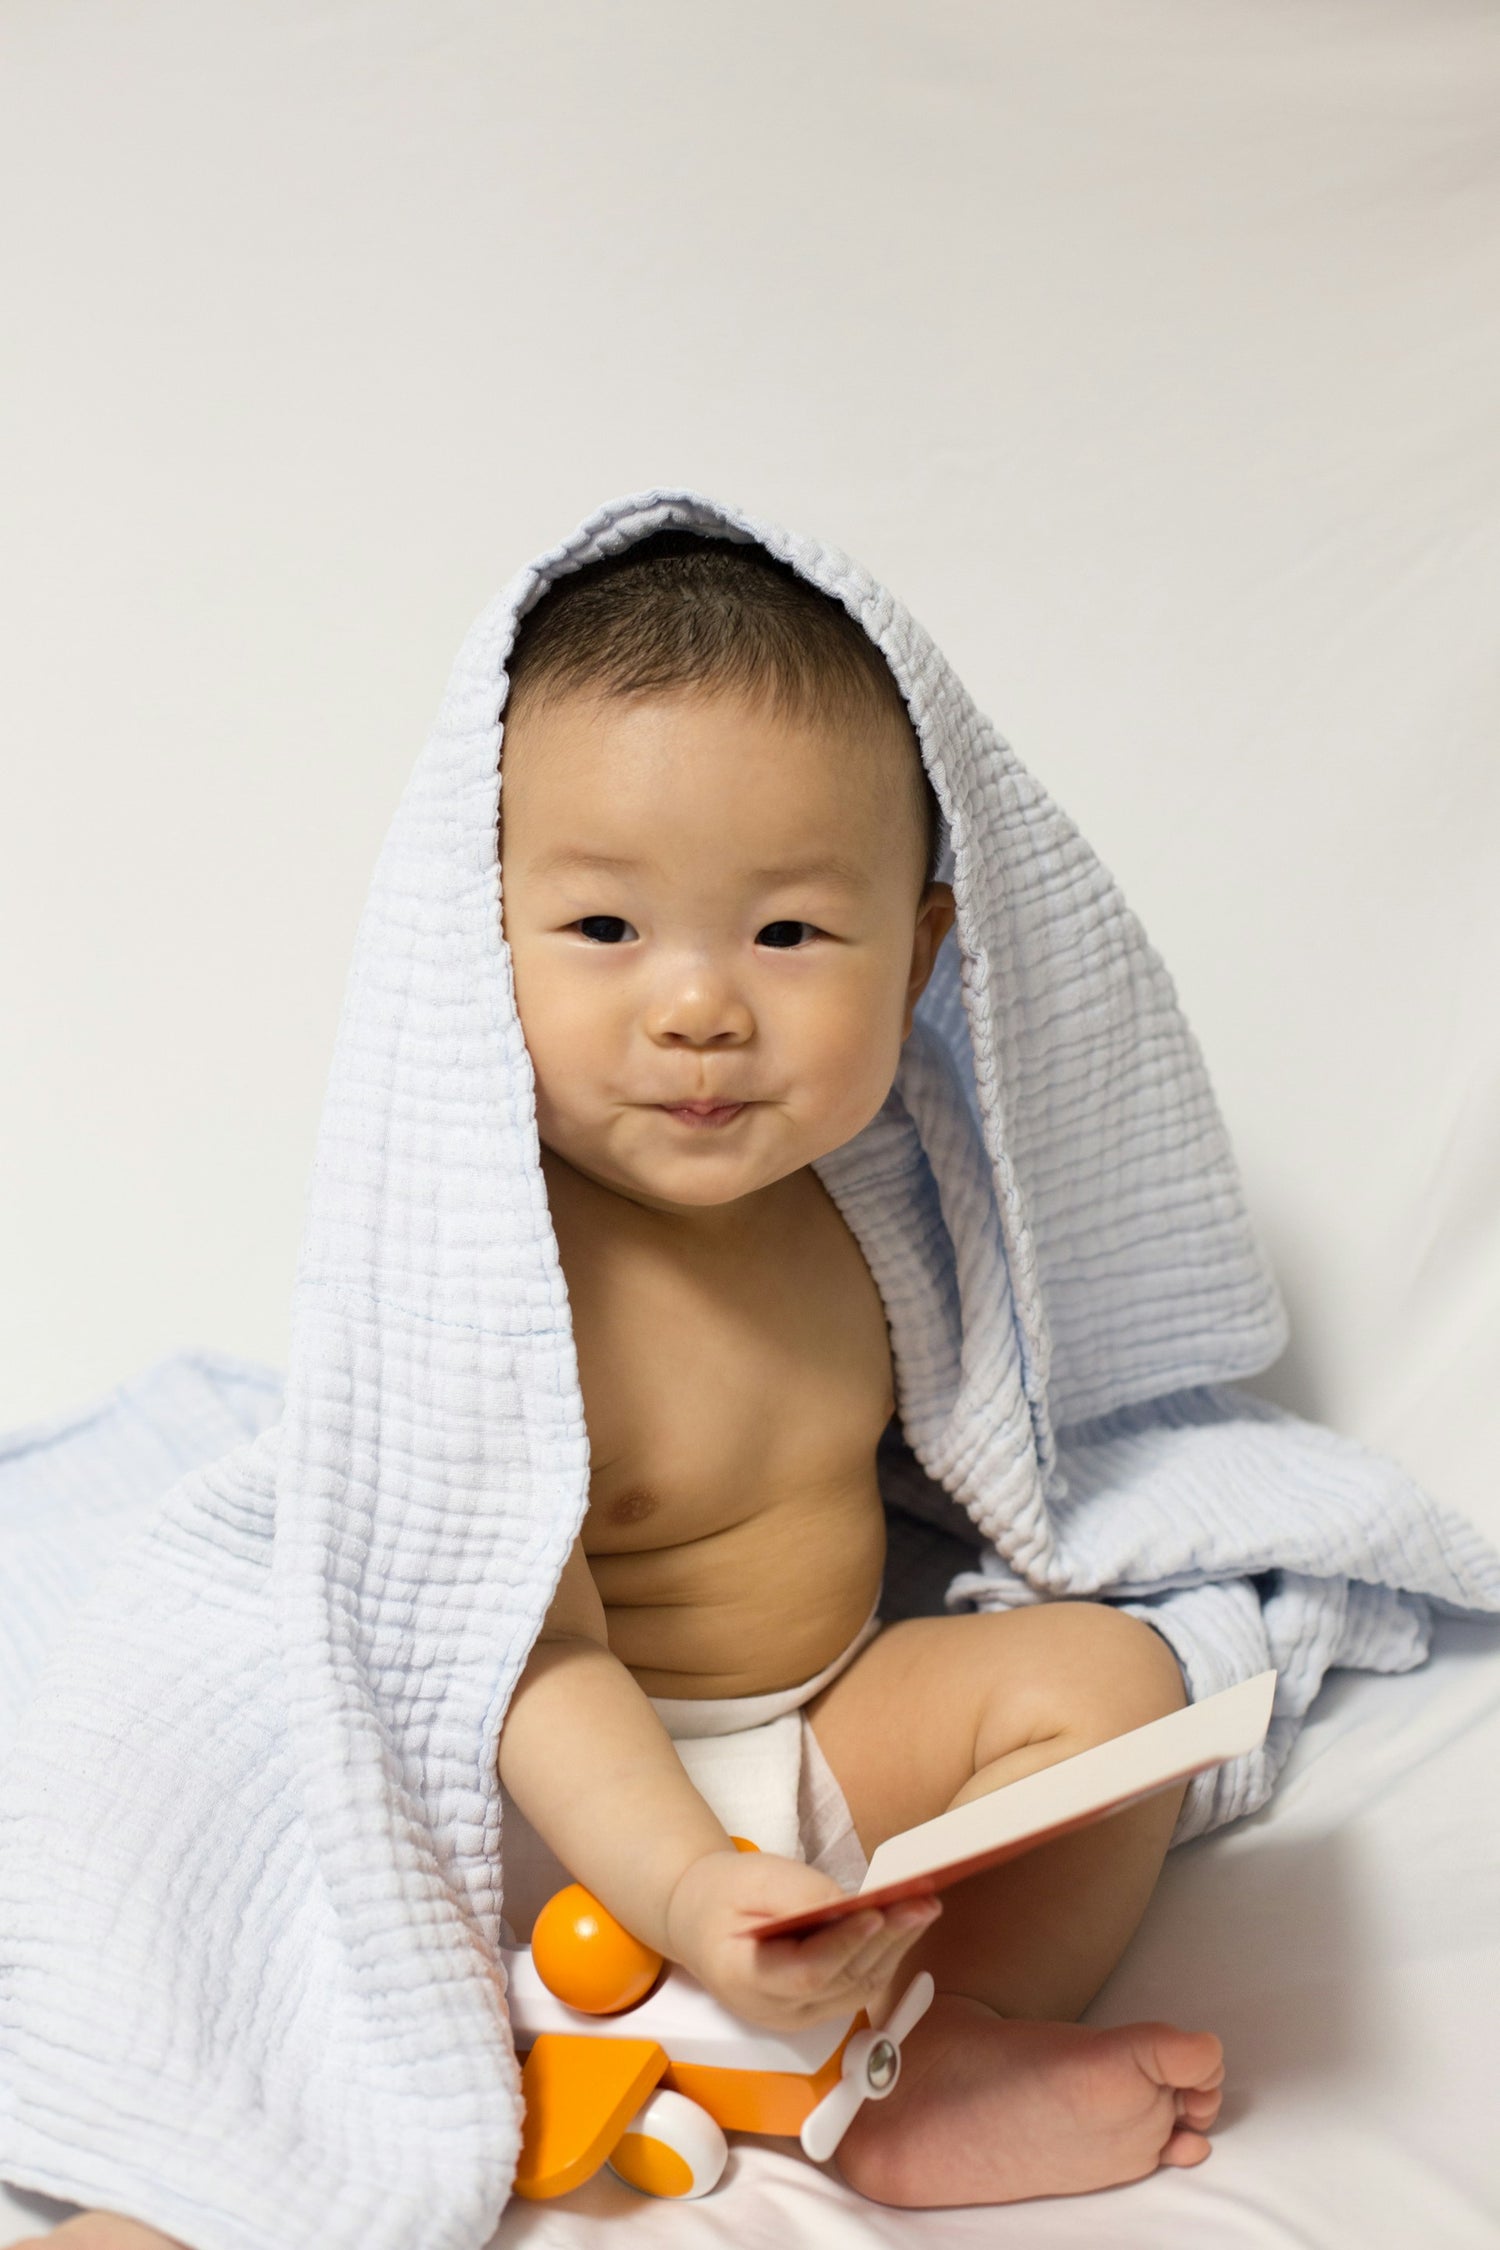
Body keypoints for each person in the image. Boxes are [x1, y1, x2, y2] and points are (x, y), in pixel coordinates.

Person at [15, 532, 1227, 2248]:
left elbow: (972, 1458)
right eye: (603, 924)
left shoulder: (879, 1199)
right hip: (533, 1807)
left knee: (1117, 1683)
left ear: (926, 948)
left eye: (792, 928)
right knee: (277, 2061)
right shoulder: (500, 1277)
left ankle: (922, 2049)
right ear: (473, 928)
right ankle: (187, 2201)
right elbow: (523, 1644)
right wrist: (675, 1878)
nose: (700, 1005)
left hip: (800, 1739)